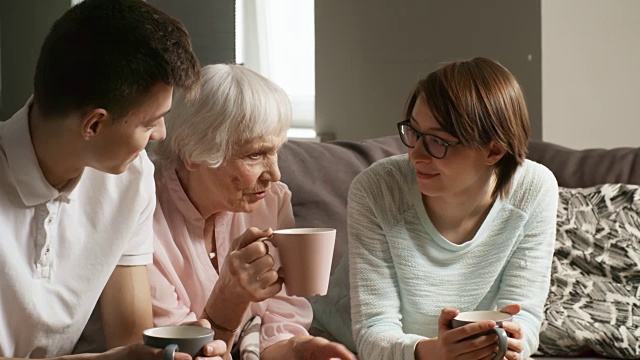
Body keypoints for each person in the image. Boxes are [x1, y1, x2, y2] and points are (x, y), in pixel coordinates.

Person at [0, 0, 226, 359]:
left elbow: (131, 342)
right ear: (94, 124)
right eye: (150, 122)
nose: (161, 134)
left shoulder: (132, 180)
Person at [314, 57, 558, 360]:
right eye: (414, 132)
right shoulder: (378, 189)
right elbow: (373, 330)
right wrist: (434, 351)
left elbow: (524, 315)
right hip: (345, 348)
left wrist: (510, 346)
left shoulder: (534, 189)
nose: (415, 154)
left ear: (493, 150)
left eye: (438, 141)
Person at [147, 64, 355, 360]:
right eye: (255, 154)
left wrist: (298, 349)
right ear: (193, 152)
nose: (275, 174)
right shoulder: (143, 218)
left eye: (276, 151)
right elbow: (179, 353)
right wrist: (231, 297)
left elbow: (281, 319)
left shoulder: (271, 201)